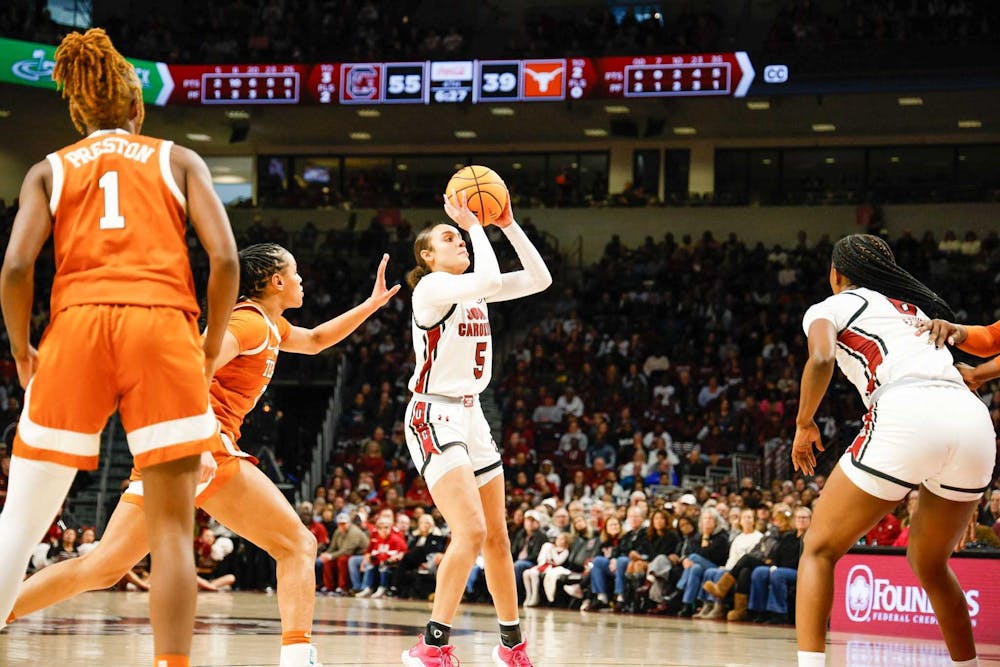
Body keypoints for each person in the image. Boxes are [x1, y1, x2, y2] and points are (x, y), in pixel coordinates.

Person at [8, 244, 399, 667]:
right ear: (276, 281)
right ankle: (297, 655)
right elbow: (188, 367)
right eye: (296, 272)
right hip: (200, 446)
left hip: (170, 448)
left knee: (102, 567)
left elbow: (319, 340)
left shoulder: (272, 325)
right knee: (297, 545)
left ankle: (3, 609)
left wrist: (371, 305)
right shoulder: (247, 324)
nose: (303, 280)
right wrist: (204, 436)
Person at [0, 28, 240, 667]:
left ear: (75, 114)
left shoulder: (48, 168)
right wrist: (212, 344)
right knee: (171, 533)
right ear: (138, 108)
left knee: (17, 529)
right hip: (161, 326)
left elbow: (17, 268)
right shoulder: (178, 159)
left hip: (76, 326)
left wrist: (24, 350)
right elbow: (224, 259)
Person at [791, 234, 995, 667]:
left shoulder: (828, 307)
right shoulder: (917, 310)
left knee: (819, 548)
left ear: (836, 273)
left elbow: (823, 358)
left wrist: (804, 422)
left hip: (907, 411)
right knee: (930, 563)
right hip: (973, 419)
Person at [400, 192, 551, 667]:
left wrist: (506, 223)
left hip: (472, 415)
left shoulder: (473, 288)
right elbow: (485, 275)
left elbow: (540, 278)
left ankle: (511, 646)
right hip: (433, 413)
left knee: (498, 539)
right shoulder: (429, 289)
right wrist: (475, 226)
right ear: (428, 258)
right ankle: (432, 644)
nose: (460, 239)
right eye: (449, 237)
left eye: (460, 235)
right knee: (469, 531)